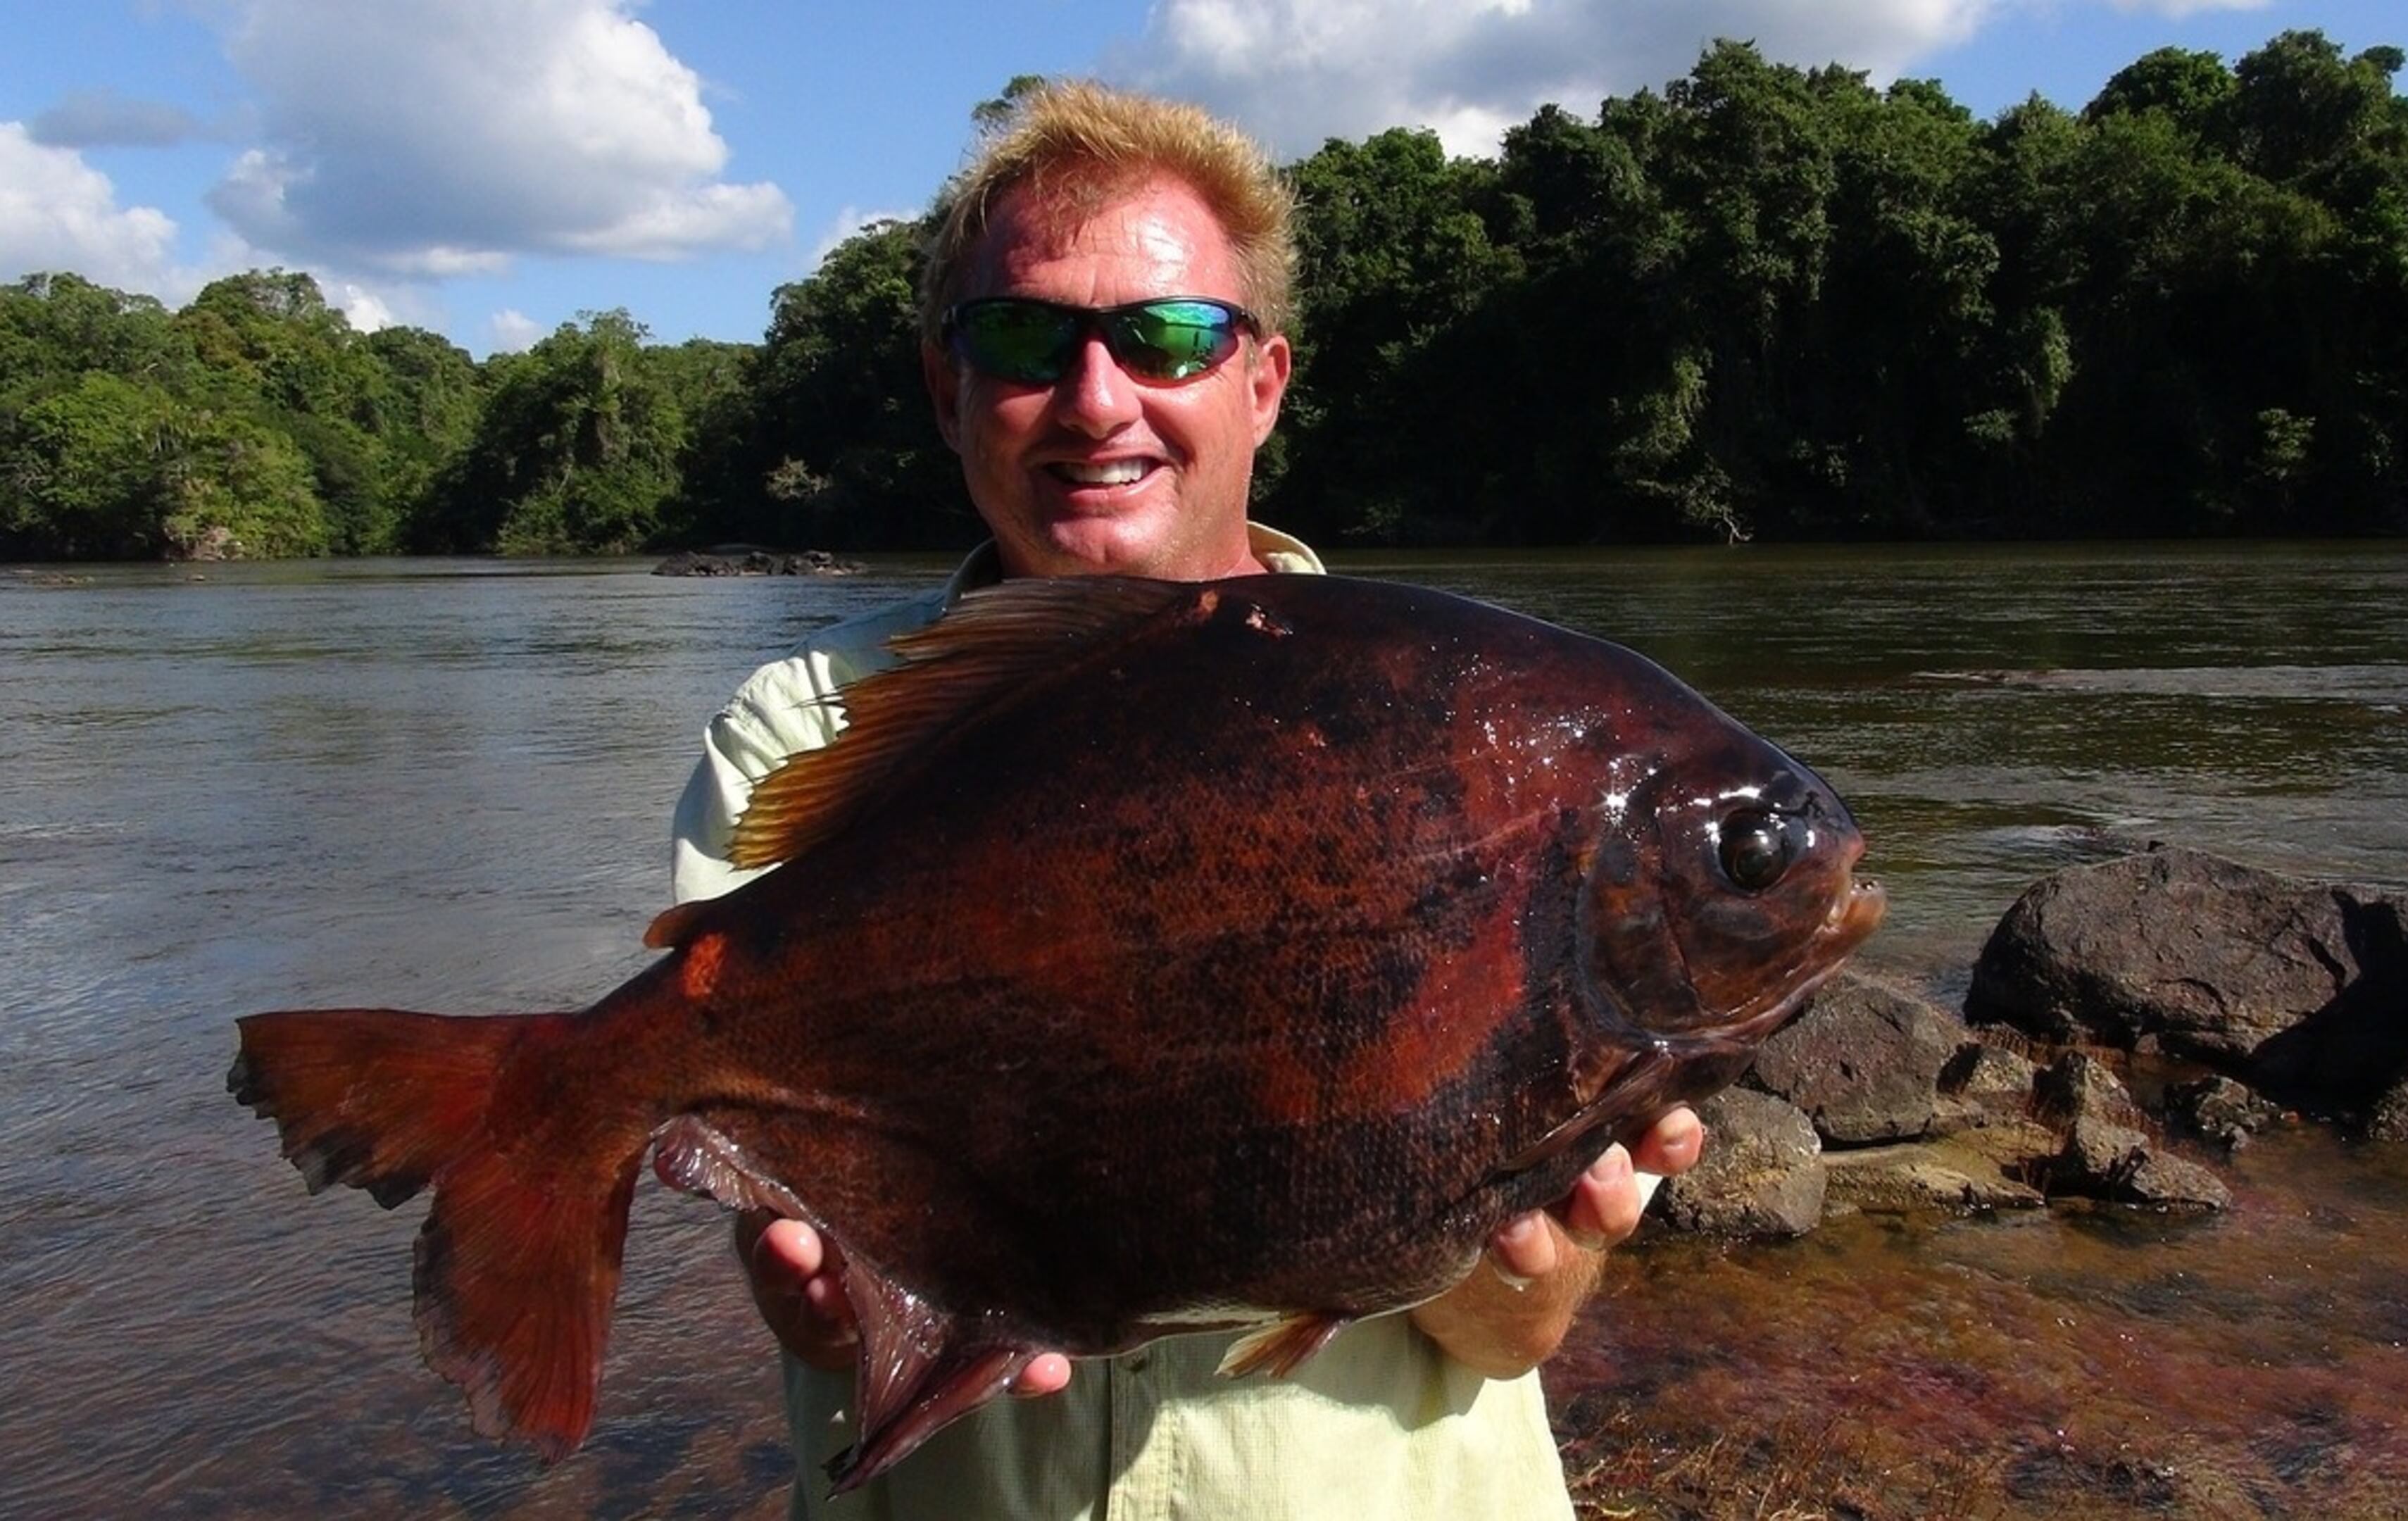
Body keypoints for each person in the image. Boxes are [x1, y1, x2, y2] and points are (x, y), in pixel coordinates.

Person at [670, 80, 1703, 1520]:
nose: (1099, 401)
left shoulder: (1455, 739)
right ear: (943, 387)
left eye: (1167, 338)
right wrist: (838, 1304)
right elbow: (788, 1244)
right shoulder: (801, 736)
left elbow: (1512, 1333)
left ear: (1264, 382)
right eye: (1025, 340)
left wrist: (1518, 1262)